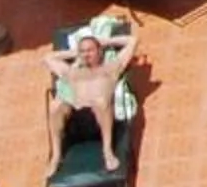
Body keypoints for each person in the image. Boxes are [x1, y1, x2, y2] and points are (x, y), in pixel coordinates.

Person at [48, 21, 141, 177]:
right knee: (55, 105)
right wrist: (74, 53)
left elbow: (133, 41)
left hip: (102, 120)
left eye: (90, 50)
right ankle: (56, 156)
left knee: (100, 102)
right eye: (83, 51)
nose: (86, 54)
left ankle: (107, 150)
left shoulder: (110, 69)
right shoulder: (72, 72)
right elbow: (47, 58)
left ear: (100, 51)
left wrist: (106, 41)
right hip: (76, 121)